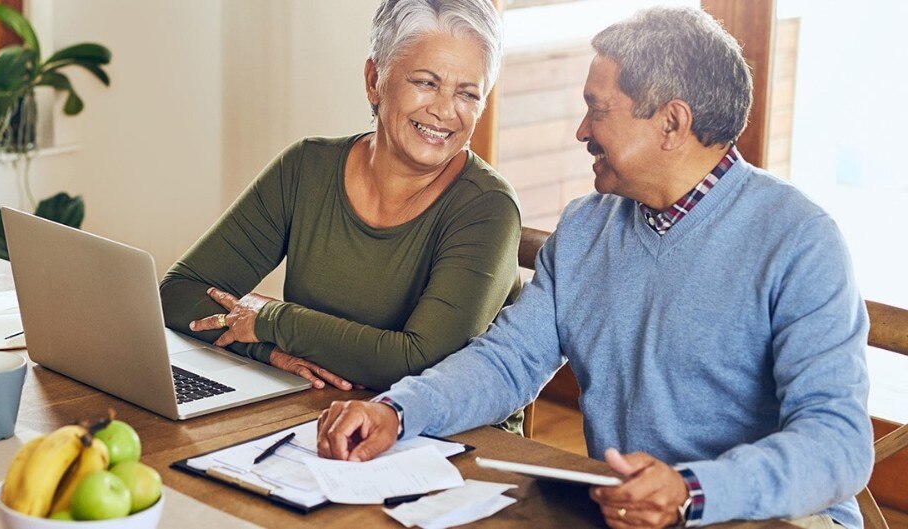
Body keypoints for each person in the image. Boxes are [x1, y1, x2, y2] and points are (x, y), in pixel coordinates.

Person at [315, 6, 872, 529]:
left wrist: (689, 492)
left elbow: (839, 445)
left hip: (767, 517)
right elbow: (507, 363)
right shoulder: (586, 226)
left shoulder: (800, 240)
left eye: (598, 109)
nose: (582, 131)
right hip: (624, 513)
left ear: (672, 124)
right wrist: (397, 410)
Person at [159, 0, 524, 431]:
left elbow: (419, 361)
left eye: (468, 93)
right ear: (374, 79)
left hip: (446, 442)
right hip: (316, 415)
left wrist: (272, 320)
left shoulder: (488, 208)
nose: (445, 111)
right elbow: (178, 294)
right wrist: (267, 349)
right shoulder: (305, 168)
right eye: (427, 82)